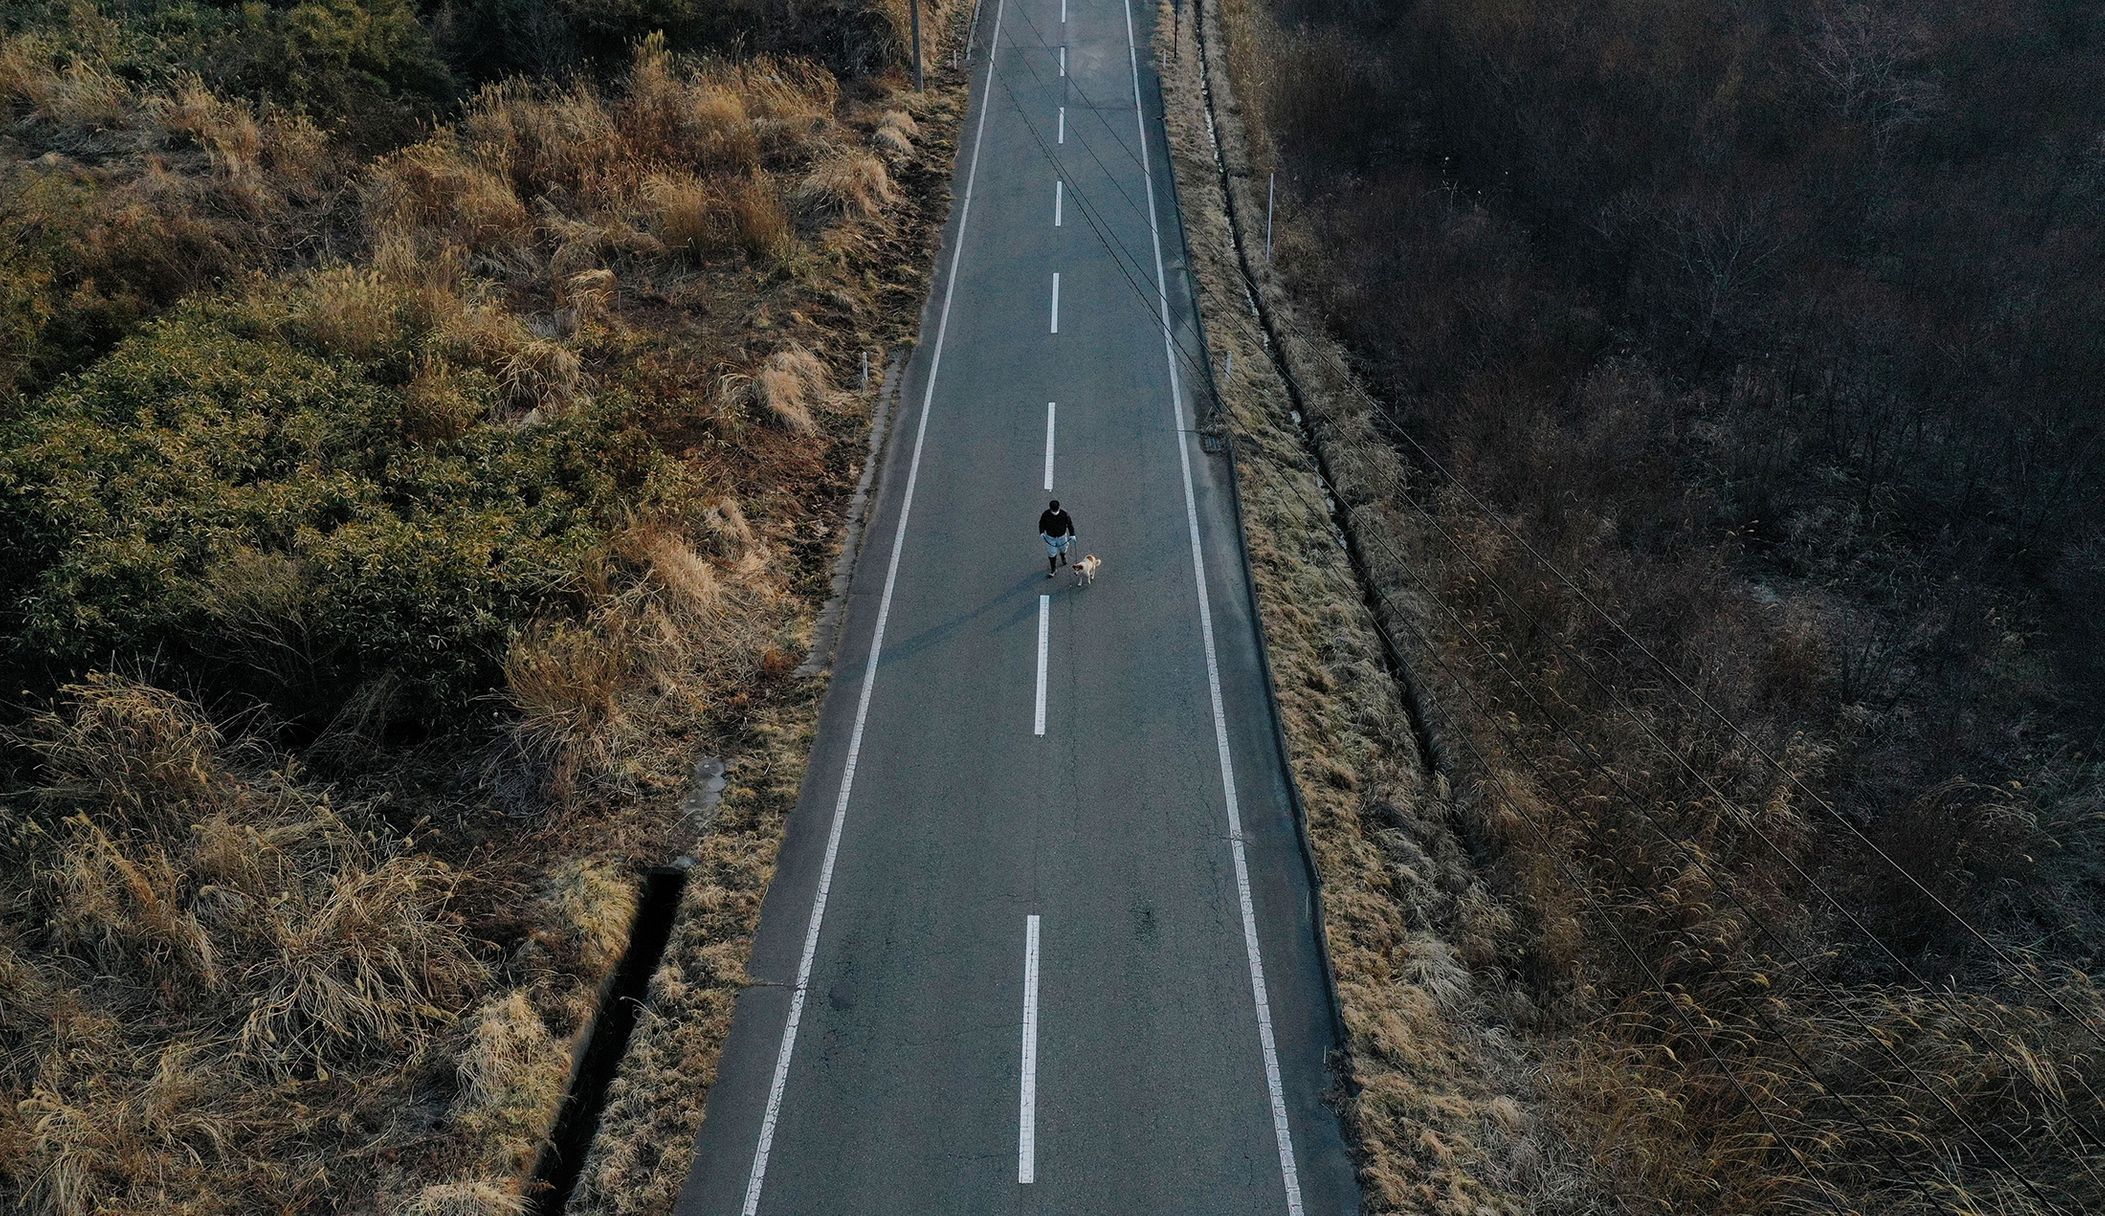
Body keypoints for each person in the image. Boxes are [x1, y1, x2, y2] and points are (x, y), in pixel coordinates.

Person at [1038, 499, 1077, 578]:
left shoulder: (1064, 514)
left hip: (1062, 536)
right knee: (1051, 553)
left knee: (1063, 548)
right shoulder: (1045, 515)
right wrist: (1041, 532)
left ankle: (1063, 556)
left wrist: (1072, 534)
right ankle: (1053, 569)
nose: (1055, 512)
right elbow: (1041, 523)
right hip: (1050, 537)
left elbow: (1070, 524)